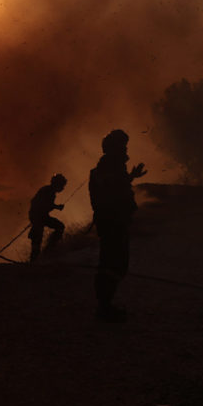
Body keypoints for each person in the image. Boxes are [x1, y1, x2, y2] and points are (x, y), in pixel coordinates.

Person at [88, 129, 146, 322]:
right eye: (123, 145)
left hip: (116, 221)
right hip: (112, 222)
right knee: (112, 263)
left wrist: (131, 177)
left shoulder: (112, 166)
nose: (125, 149)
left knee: (116, 263)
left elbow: (116, 185)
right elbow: (111, 189)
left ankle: (105, 305)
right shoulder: (108, 166)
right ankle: (104, 307)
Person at [27, 174, 67, 262]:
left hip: (41, 217)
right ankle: (35, 260)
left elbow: (44, 205)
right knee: (37, 238)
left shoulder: (49, 191)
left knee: (60, 227)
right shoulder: (47, 191)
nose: (62, 188)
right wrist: (56, 207)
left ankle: (48, 250)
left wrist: (55, 207)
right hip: (38, 217)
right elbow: (42, 204)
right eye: (62, 185)